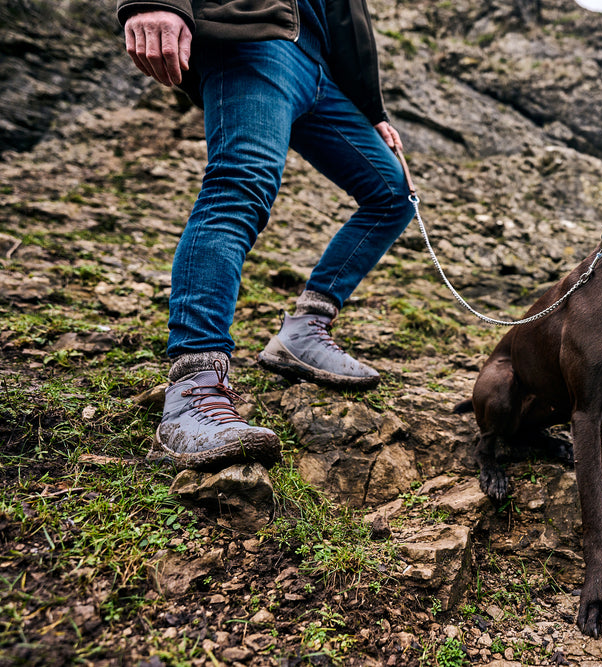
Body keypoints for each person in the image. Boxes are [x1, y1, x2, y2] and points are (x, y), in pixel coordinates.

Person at [116, 0, 414, 470]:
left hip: (321, 71)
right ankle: (194, 388)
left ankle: (306, 329)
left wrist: (370, 109)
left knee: (392, 193)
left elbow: (346, 18)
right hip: (251, 36)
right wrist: (157, 2)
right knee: (239, 186)